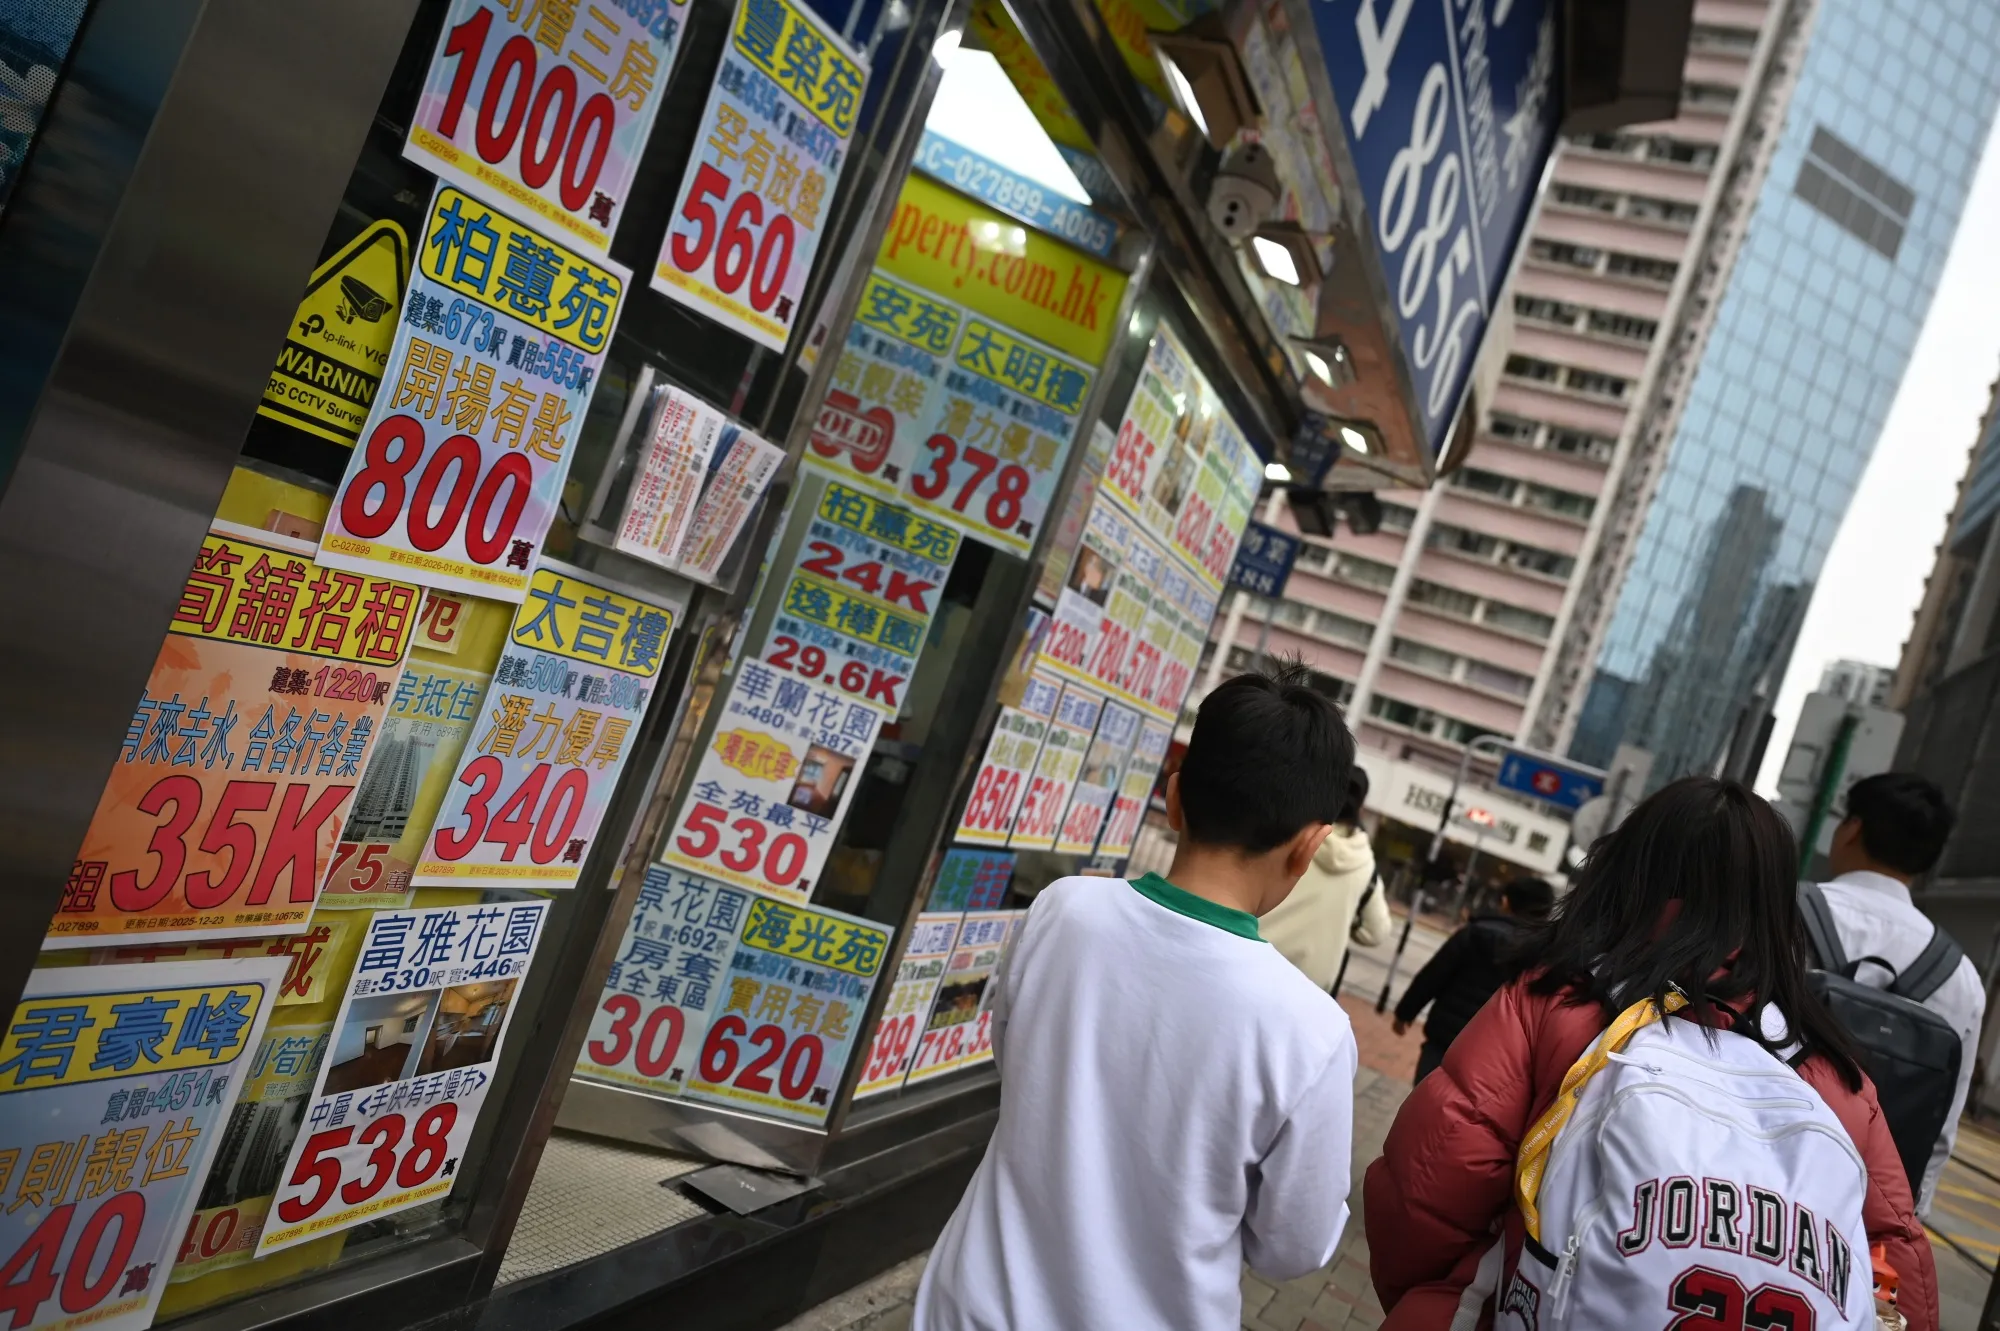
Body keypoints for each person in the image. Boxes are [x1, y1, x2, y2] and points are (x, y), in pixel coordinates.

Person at [1363, 777, 1938, 1331]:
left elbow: (1431, 1187)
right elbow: (1895, 1265)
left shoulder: (1557, 1004)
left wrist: (1440, 1297)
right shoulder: (1836, 1076)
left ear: (1627, 874)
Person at [914, 666, 1360, 1331]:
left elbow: (1018, 1063)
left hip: (970, 1304)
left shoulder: (1063, 909)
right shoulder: (1311, 1032)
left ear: (1175, 798)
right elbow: (1294, 1246)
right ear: (1309, 845)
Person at [1816, 771, 1982, 1215]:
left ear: (1852, 828)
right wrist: (1903, 1223)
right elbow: (1940, 1129)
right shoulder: (1960, 975)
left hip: (1749, 1185)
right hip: (1862, 1211)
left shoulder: (1780, 911)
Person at [1391, 876, 1554, 1080]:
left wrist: (1405, 1013)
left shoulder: (1475, 933)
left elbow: (1433, 975)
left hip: (1444, 1040)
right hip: (1494, 1055)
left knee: (1423, 1102)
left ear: (1505, 903)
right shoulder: (1545, 956)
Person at [1261, 768, 1391, 991]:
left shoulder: (1289, 832)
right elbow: (1376, 932)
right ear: (1360, 807)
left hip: (1255, 961)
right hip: (1307, 990)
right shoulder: (1365, 864)